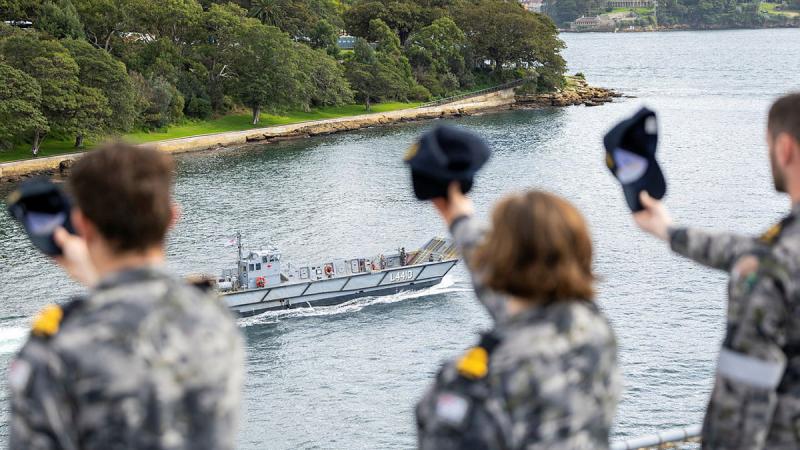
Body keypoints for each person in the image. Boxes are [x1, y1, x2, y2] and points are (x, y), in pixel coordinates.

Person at [8, 143, 245, 449]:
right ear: (172, 217)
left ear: (81, 224)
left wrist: (96, 280)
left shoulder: (54, 349)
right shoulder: (215, 320)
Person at [632, 92, 800, 449]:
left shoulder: (771, 267)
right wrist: (669, 231)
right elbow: (750, 251)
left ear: (785, 148)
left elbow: (738, 413)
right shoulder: (777, 254)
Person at [416, 182, 620, 449]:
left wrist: (455, 213)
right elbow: (519, 299)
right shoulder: (596, 330)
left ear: (498, 262)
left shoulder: (482, 377)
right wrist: (459, 219)